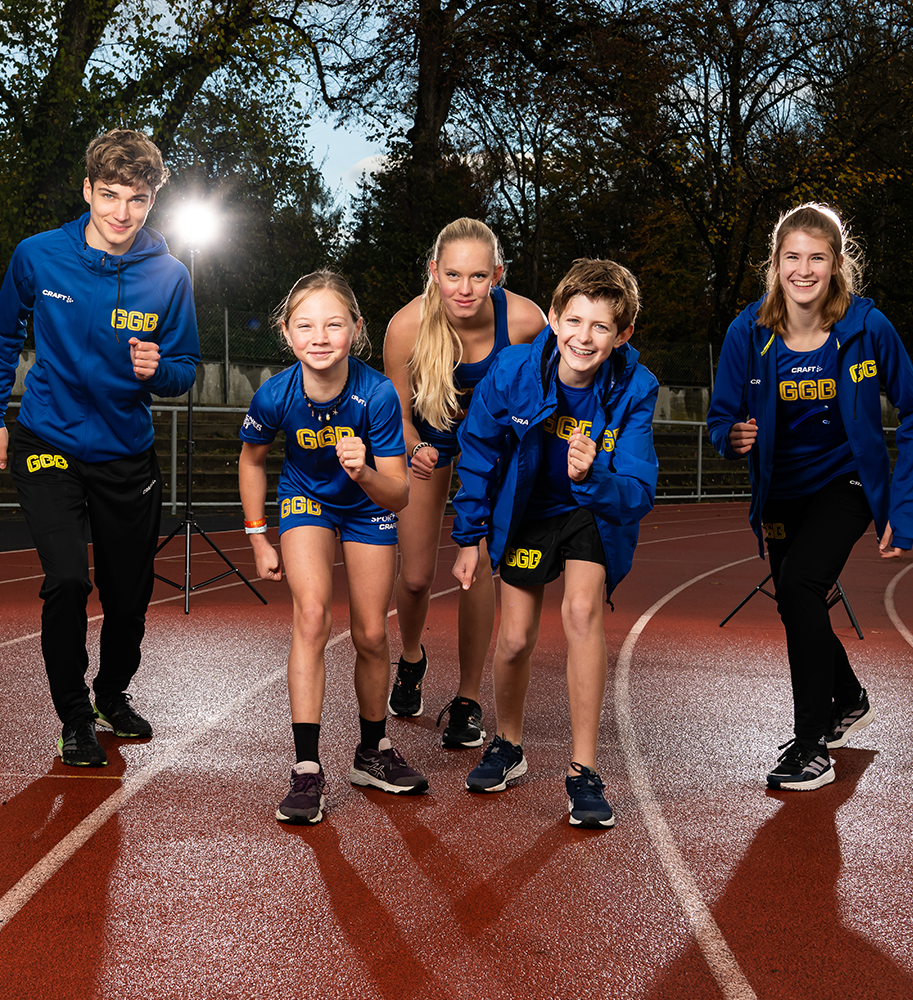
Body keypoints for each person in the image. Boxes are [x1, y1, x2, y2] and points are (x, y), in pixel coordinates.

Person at [0, 128, 200, 766]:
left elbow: (185, 368)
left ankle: (110, 693)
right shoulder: (38, 256)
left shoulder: (170, 277)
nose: (121, 213)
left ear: (153, 200)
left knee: (128, 594)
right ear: (87, 190)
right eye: (109, 196)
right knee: (69, 580)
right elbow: (1, 335)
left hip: (125, 454)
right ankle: (74, 716)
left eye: (136, 199)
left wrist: (157, 370)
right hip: (46, 440)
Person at [708, 202, 913, 791]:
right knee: (794, 600)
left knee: (800, 585)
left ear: (835, 264)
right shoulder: (748, 331)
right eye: (792, 257)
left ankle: (811, 744)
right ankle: (847, 695)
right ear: (775, 264)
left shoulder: (868, 328)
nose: (803, 269)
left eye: (816, 258)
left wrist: (903, 506)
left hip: (844, 482)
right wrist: (732, 436)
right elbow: (722, 418)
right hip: (779, 490)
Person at [451, 259, 659, 827]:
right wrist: (469, 536)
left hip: (592, 507)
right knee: (515, 638)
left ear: (622, 336)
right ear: (552, 318)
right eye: (574, 321)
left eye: (600, 327)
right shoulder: (514, 371)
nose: (583, 337)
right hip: (529, 512)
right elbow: (478, 452)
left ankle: (583, 771)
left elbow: (639, 490)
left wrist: (592, 476)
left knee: (582, 611)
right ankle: (509, 745)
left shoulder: (636, 388)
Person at [238, 270, 429, 825]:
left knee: (371, 631)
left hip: (367, 504)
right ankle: (305, 769)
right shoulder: (275, 394)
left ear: (356, 330)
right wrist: (257, 536)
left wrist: (363, 469)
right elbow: (251, 459)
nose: (319, 337)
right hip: (306, 502)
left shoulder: (377, 396)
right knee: (313, 616)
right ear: (287, 333)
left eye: (333, 324)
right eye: (305, 325)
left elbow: (398, 495)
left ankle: (372, 751)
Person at [384, 218, 546, 747]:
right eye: (452, 275)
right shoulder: (406, 327)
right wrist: (415, 449)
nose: (464, 289)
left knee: (475, 568)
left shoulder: (525, 320)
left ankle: (468, 699)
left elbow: (546, 395)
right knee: (413, 577)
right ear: (434, 271)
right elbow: (397, 417)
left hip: (491, 451)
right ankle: (411, 657)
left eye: (479, 277)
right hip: (428, 442)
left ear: (497, 275)